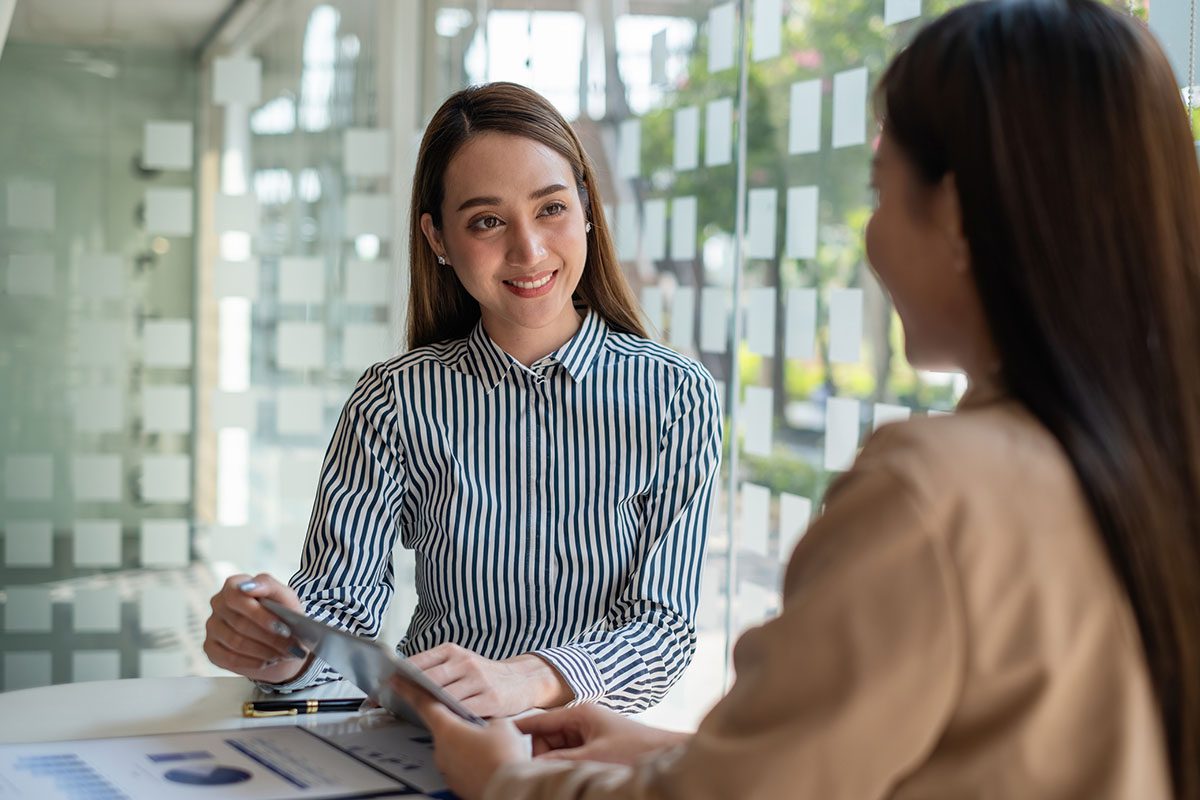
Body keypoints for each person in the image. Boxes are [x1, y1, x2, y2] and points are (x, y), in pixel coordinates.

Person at [396, 1, 1200, 797]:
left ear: (953, 214)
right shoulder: (1151, 456)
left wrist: (504, 781)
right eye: (487, 222)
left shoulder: (932, 491)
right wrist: (663, 752)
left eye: (881, 191)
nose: (871, 237)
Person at [202, 82, 723, 718]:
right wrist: (278, 642)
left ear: (588, 209)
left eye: (551, 208)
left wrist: (528, 679)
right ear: (439, 238)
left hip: (591, 759)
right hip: (428, 748)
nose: (528, 250)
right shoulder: (392, 400)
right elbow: (341, 606)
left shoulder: (674, 395)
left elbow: (662, 632)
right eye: (486, 221)